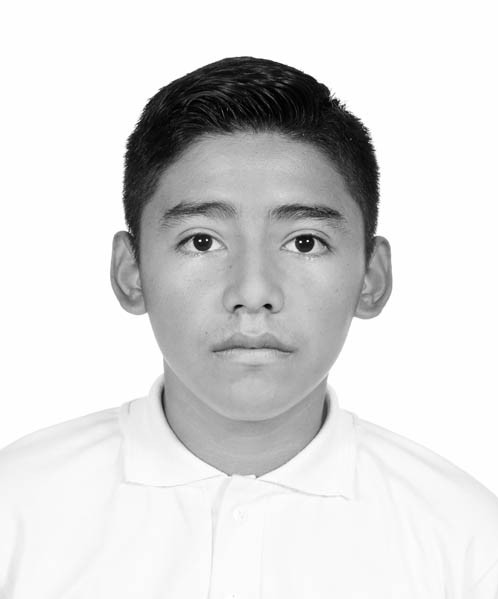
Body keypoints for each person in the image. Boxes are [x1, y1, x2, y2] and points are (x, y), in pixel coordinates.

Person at [0, 56, 497, 598]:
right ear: (131, 271)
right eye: (202, 241)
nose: (253, 291)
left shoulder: (467, 542)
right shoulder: (17, 511)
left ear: (371, 277)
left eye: (305, 242)